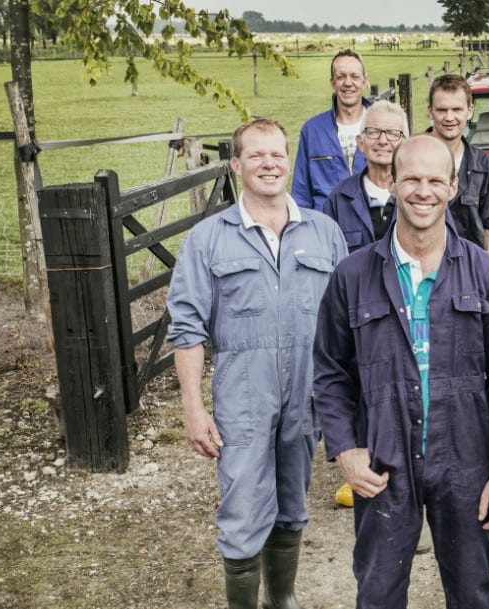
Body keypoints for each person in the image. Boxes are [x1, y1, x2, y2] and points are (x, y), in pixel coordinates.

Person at [312, 135, 489, 609]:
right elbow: (329, 371)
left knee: (471, 592)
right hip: (383, 457)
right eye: (411, 179)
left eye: (435, 180)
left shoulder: (485, 275)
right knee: (379, 592)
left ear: (453, 187)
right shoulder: (353, 276)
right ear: (391, 183)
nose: (423, 191)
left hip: (466, 459)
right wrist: (346, 449)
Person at [167, 118, 348, 609]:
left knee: (292, 502)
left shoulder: (325, 233)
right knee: (244, 508)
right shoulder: (208, 239)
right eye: (256, 155)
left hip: (307, 395)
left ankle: (281, 598)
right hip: (243, 398)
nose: (269, 164)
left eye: (277, 154)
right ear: (235, 165)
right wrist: (193, 408)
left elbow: (345, 322)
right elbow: (187, 329)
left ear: (289, 160)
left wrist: (344, 396)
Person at [427, 73, 489, 257]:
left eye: (457, 109)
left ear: (470, 111)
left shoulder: (484, 165)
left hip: (469, 264)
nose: (449, 117)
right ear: (430, 111)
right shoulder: (411, 157)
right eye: (442, 110)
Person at [324, 101, 409, 254]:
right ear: (360, 143)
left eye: (393, 133)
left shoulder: (420, 194)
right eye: (373, 132)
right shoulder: (339, 199)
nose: (383, 141)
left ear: (405, 144)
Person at [292, 49, 371, 211]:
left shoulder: (383, 126)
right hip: (326, 222)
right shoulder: (312, 131)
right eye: (341, 77)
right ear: (333, 83)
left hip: (372, 222)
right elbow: (301, 194)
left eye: (354, 76)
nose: (348, 83)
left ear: (364, 81)